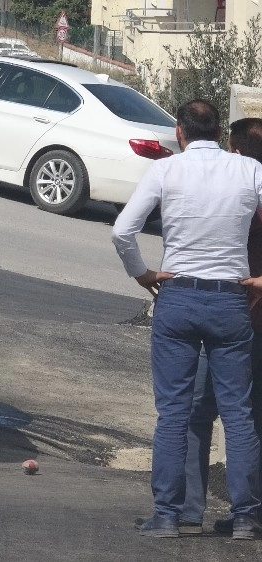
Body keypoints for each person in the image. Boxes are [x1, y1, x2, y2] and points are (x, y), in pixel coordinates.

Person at [112, 99, 262, 539]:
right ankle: (247, 517)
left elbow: (122, 230)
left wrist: (143, 274)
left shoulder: (165, 171)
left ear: (180, 132)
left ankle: (168, 515)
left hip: (177, 296)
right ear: (219, 133)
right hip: (231, 300)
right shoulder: (250, 172)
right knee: (238, 414)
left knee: (174, 413)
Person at [179, 117, 262, 534]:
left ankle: (191, 510)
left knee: (199, 412)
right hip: (245, 321)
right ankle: (250, 515)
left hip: (232, 320)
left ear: (236, 151)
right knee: (249, 416)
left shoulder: (243, 191)